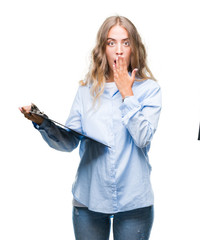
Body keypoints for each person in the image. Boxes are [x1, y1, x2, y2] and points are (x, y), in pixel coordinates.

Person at [19, 16, 161, 240]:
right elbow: (69, 143)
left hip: (134, 201)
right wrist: (41, 122)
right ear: (102, 48)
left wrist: (127, 94)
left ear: (134, 47)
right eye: (111, 43)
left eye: (126, 42)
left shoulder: (150, 89)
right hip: (89, 198)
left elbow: (143, 138)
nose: (119, 51)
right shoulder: (86, 90)